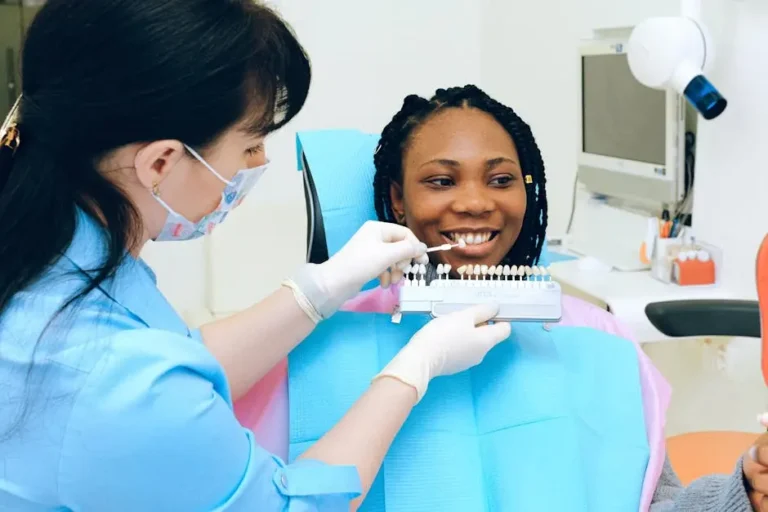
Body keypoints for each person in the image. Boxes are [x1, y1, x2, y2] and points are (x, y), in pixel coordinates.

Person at [0, 3, 513, 511]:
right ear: (161, 161)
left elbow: (182, 360)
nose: (261, 162)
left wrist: (318, 291)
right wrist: (413, 370)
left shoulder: (54, 258)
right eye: (250, 145)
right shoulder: (111, 377)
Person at [236, 85, 766, 511]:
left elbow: (658, 502)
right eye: (442, 181)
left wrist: (740, 488)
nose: (474, 202)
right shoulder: (315, 345)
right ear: (397, 199)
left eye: (501, 179)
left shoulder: (597, 339)